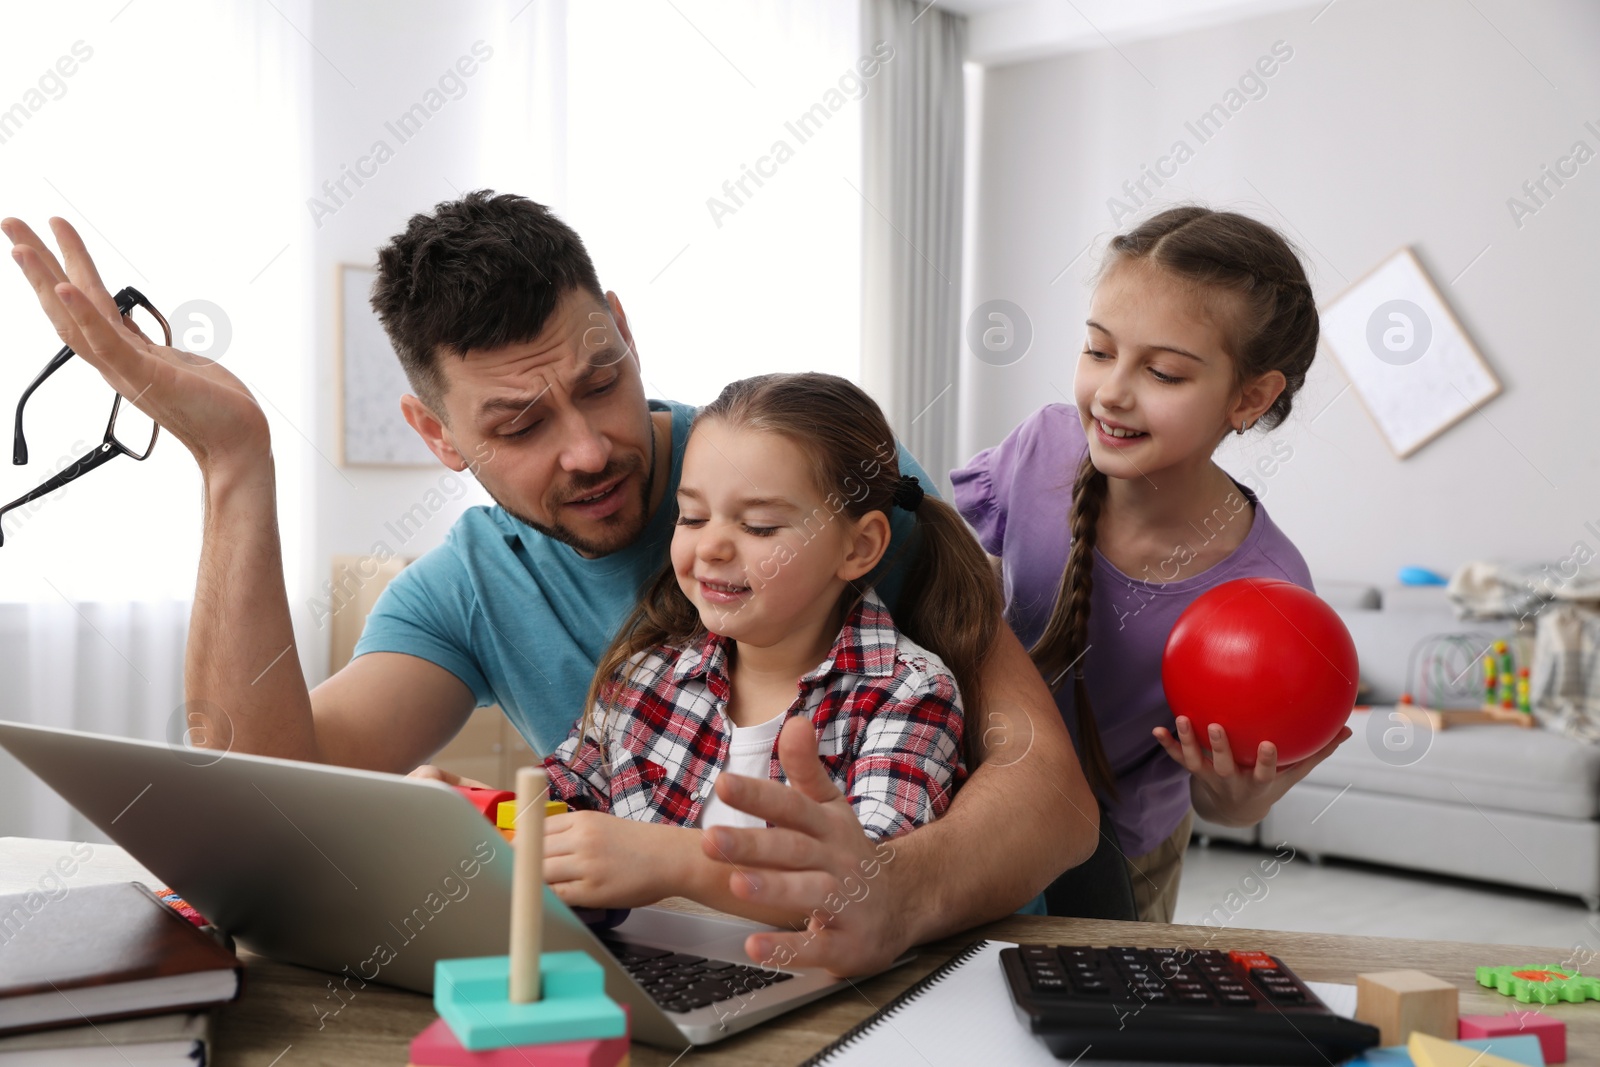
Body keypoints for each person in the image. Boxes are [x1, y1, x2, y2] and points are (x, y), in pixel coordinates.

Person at [1, 191, 1097, 976]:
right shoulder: (473, 586)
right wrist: (235, 464)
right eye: (520, 424)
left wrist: (890, 892)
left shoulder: (808, 485)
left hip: (939, 972)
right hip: (681, 973)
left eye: (600, 380)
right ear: (435, 434)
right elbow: (267, 789)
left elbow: (1050, 795)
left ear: (622, 325)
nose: (586, 448)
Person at [951, 205, 1352, 924]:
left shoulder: (1266, 591)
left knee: (1090, 1016)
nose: (1111, 391)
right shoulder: (1041, 446)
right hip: (974, 800)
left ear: (1250, 396)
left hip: (1122, 853)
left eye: (1163, 372)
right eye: (1099, 351)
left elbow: (1224, 803)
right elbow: (952, 597)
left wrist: (1242, 795)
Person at [540, 372, 1001, 925]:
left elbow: (868, 892)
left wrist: (674, 862)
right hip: (652, 985)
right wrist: (478, 814)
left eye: (759, 526)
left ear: (858, 547)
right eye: (691, 516)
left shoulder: (909, 693)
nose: (710, 545)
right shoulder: (643, 680)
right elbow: (562, 799)